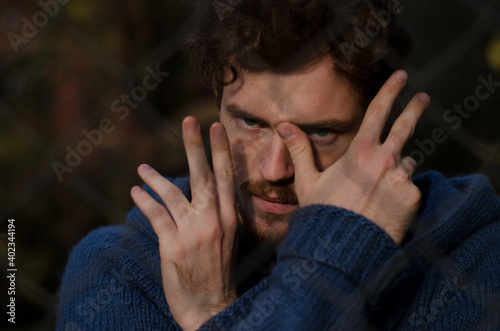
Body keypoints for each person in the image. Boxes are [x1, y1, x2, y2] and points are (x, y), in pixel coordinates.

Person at [57, 0, 500, 330]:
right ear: (217, 101)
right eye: (250, 122)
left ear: (379, 129)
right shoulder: (117, 270)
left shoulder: (475, 259)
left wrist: (208, 314)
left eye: (320, 133)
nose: (274, 170)